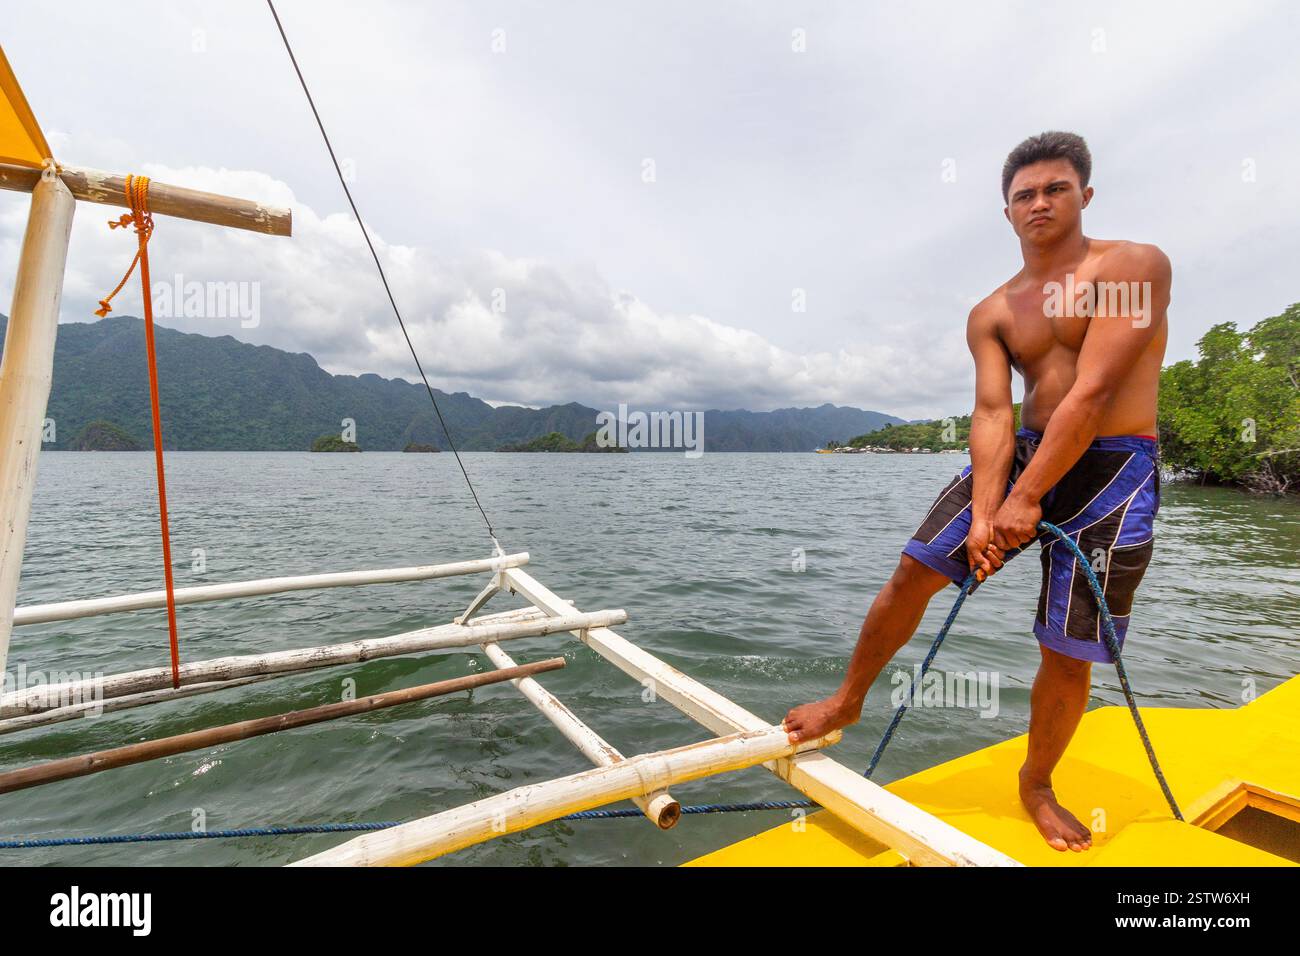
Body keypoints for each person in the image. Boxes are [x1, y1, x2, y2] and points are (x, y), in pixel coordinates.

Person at [784, 131, 1170, 852]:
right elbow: (995, 413)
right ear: (1007, 212)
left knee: (1069, 647)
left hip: (1114, 464)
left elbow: (1093, 392)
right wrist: (988, 510)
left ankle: (1037, 781)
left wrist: (1026, 503)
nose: (1040, 203)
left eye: (1056, 188)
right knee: (913, 569)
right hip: (1023, 452)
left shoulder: (1133, 266)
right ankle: (847, 701)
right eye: (1025, 194)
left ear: (1085, 195)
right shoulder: (993, 311)